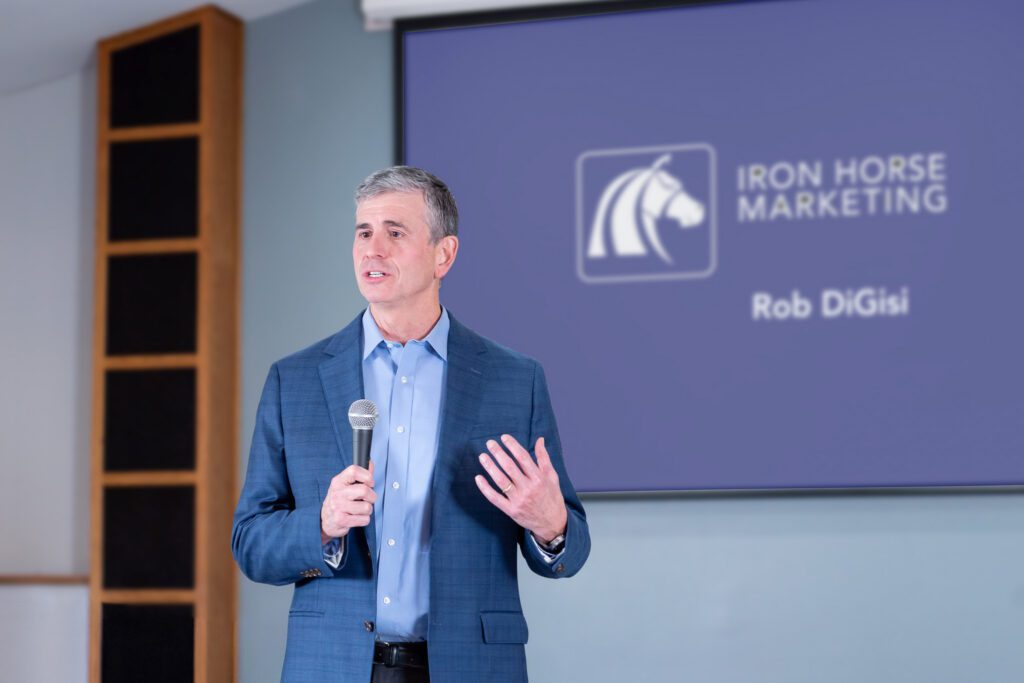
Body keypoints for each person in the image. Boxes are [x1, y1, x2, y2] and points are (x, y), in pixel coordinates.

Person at [232, 166, 591, 682]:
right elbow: (250, 542)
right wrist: (322, 523)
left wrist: (550, 525)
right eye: (363, 232)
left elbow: (570, 549)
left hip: (471, 667)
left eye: (394, 233)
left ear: (444, 254)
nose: (372, 250)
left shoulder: (514, 380)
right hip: (332, 666)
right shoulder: (296, 380)